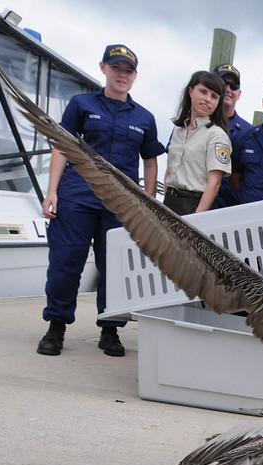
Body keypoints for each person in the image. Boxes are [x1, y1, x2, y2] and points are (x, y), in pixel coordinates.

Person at [37, 44, 165, 357]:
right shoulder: (81, 104)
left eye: (128, 70)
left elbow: (150, 161)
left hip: (120, 205)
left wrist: (147, 202)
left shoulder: (145, 118)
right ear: (103, 68)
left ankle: (110, 331)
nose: (122, 75)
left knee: (116, 269)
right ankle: (56, 327)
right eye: (116, 68)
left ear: (135, 76)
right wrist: (51, 191)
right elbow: (61, 146)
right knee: (65, 264)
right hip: (77, 196)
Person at [162, 71, 231, 216]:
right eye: (203, 92)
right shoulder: (179, 129)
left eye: (214, 96)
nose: (207, 99)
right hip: (170, 202)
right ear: (190, 91)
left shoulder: (217, 135)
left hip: (195, 205)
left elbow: (215, 183)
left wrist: (197, 217)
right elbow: (171, 168)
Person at [212, 63, 248, 208]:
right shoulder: (193, 123)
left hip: (229, 208)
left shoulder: (249, 133)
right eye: (223, 83)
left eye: (233, 86)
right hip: (193, 203)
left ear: (239, 94)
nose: (228, 89)